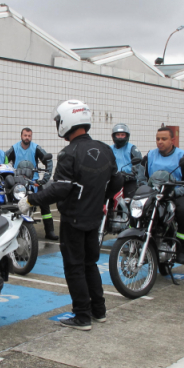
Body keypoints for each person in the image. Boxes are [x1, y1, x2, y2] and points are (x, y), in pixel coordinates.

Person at [19, 100, 122, 330]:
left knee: (74, 267)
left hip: (74, 219)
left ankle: (82, 316)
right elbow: (116, 181)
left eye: (58, 121)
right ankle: (99, 310)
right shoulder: (105, 149)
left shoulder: (69, 153)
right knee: (90, 264)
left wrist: (29, 200)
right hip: (95, 217)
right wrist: (102, 199)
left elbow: (60, 188)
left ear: (66, 121)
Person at [143, 127, 184, 265]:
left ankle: (181, 250)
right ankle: (137, 244)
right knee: (136, 210)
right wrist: (145, 189)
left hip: (175, 194)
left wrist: (176, 192)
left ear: (172, 140)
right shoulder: (149, 155)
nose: (160, 142)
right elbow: (141, 177)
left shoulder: (183, 156)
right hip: (153, 194)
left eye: (164, 139)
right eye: (157, 139)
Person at [6, 127, 57, 241]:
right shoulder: (14, 148)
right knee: (9, 203)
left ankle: (50, 231)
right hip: (18, 183)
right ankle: (10, 231)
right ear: (21, 136)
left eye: (29, 135)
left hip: (34, 182)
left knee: (45, 202)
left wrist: (44, 180)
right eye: (25, 135)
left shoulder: (36, 148)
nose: (27, 137)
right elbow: (3, 160)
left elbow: (48, 161)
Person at [109, 123, 144, 199]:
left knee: (130, 201)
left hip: (129, 181)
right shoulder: (109, 149)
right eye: (118, 135)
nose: (120, 137)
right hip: (114, 180)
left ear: (127, 136)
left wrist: (140, 182)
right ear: (113, 136)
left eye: (122, 135)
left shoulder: (132, 149)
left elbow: (139, 167)